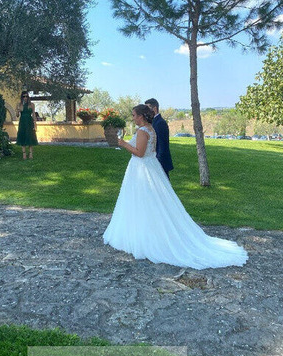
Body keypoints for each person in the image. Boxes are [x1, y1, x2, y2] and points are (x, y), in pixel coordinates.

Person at [103, 104, 248, 269]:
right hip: (149, 167)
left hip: (143, 169)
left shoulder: (143, 131)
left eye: (134, 115)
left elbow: (139, 153)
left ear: (141, 116)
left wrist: (123, 143)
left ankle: (146, 236)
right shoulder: (150, 129)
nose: (133, 118)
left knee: (144, 201)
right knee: (149, 202)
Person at [145, 98, 173, 178]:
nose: (146, 112)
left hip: (161, 162)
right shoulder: (153, 121)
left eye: (148, 109)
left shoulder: (160, 123)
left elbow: (162, 145)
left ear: (155, 108)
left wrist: (157, 162)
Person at [16, 91, 38, 159]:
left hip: (29, 121)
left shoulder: (32, 104)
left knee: (30, 136)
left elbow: (33, 114)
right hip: (22, 121)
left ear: (28, 97)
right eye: (23, 96)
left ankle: (31, 153)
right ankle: (24, 154)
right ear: (22, 97)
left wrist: (35, 124)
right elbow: (17, 115)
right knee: (23, 136)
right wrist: (18, 110)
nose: (25, 98)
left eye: (26, 96)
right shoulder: (19, 104)